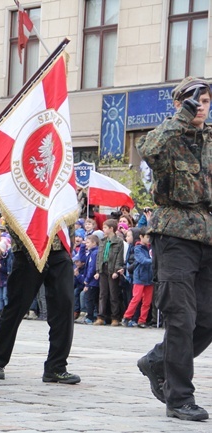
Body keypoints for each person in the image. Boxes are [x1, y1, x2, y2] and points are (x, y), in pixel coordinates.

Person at [136, 76, 212, 421]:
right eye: (194, 100)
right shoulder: (167, 135)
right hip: (175, 235)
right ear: (179, 103)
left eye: (206, 101)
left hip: (208, 237)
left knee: (208, 319)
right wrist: (183, 117)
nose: (201, 106)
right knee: (182, 318)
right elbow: (148, 149)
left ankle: (156, 360)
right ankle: (179, 398)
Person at [0, 225, 81, 384]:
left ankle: (56, 366)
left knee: (64, 307)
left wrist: (67, 248)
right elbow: (13, 215)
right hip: (29, 249)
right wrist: (25, 246)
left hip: (58, 249)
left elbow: (68, 214)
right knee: (16, 308)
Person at [93, 219, 125, 326]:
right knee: (102, 294)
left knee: (113, 294)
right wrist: (97, 270)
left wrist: (116, 270)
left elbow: (119, 258)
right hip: (103, 269)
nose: (103, 229)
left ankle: (115, 317)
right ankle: (101, 316)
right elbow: (99, 257)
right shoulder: (102, 241)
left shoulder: (118, 241)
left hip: (112, 270)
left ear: (111, 229)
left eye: (105, 227)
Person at [121, 228, 153, 328]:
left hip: (150, 277)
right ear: (141, 237)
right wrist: (154, 260)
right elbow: (142, 260)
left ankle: (142, 320)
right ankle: (127, 317)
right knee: (136, 298)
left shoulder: (150, 248)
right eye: (147, 237)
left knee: (147, 301)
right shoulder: (137, 248)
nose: (149, 239)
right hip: (139, 277)